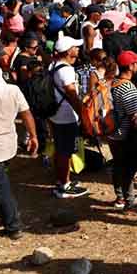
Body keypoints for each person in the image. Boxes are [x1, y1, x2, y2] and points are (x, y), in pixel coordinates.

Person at [0, 59, 38, 239]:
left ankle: (13, 226)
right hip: (9, 146)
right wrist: (33, 136)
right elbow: (26, 113)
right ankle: (6, 214)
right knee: (1, 182)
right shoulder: (13, 89)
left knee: (0, 188)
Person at [109, 50, 137, 216]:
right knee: (127, 168)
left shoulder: (113, 83)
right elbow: (135, 117)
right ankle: (130, 202)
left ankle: (120, 198)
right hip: (124, 134)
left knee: (118, 165)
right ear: (131, 66)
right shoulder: (128, 87)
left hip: (111, 132)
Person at [49, 35, 89, 199]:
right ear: (68, 51)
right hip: (66, 116)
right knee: (65, 151)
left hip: (56, 114)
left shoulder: (54, 65)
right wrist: (83, 115)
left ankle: (62, 181)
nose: (78, 49)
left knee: (61, 149)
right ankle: (64, 186)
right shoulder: (66, 70)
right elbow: (72, 94)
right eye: (76, 47)